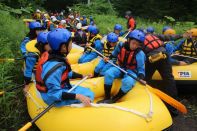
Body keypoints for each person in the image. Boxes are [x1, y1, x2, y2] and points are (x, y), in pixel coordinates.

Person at [35, 28, 94, 107]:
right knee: (89, 95)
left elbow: (67, 73)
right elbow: (54, 94)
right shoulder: (55, 68)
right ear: (63, 47)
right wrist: (78, 96)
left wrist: (82, 76)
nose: (71, 45)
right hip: (52, 97)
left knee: (88, 91)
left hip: (61, 87)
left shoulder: (54, 55)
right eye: (70, 43)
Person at [97, 30, 146, 104]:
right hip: (120, 67)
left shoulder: (140, 54)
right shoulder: (120, 45)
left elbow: (141, 69)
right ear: (129, 40)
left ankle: (114, 99)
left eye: (137, 44)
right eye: (133, 43)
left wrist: (141, 77)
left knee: (128, 82)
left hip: (131, 71)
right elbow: (114, 54)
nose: (135, 46)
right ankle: (107, 97)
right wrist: (108, 58)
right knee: (108, 73)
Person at [143, 31, 178, 116]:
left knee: (145, 79)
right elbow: (169, 37)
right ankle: (173, 109)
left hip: (151, 59)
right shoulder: (154, 35)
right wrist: (181, 35)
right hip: (163, 55)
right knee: (169, 80)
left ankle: (144, 100)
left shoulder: (139, 40)